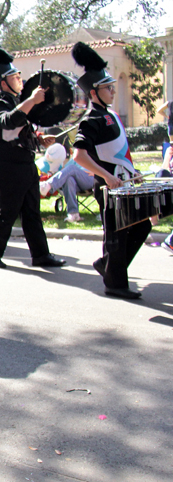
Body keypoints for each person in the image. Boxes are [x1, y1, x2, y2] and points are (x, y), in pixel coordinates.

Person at [70, 42, 151, 298]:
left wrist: (132, 172)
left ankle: (108, 266)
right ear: (94, 92)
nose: (113, 91)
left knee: (141, 226)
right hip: (109, 188)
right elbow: (79, 155)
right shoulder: (91, 119)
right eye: (108, 88)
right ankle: (115, 284)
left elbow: (118, 151)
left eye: (112, 86)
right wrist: (106, 177)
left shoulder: (111, 114)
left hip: (124, 183)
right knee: (117, 235)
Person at [0, 41, 66, 269]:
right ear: (3, 82)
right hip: (7, 164)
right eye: (15, 77)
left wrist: (39, 138)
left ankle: (41, 255)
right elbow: (7, 122)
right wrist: (31, 101)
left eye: (19, 76)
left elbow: (20, 131)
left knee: (32, 212)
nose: (20, 80)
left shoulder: (18, 102)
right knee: (7, 211)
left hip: (25, 163)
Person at [38, 143, 95, 223]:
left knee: (72, 168)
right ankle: (73, 214)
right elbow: (65, 169)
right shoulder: (77, 155)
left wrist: (96, 173)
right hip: (77, 182)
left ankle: (48, 185)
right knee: (69, 180)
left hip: (91, 179)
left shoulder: (96, 153)